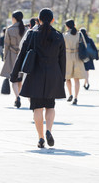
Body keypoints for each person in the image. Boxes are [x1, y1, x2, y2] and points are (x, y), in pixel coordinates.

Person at [10, 8, 66, 148]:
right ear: (52, 20)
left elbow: (22, 54)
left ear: (39, 20)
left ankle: (41, 138)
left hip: (35, 74)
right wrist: (62, 78)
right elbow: (63, 60)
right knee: (50, 106)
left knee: (37, 108)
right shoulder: (59, 36)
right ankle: (48, 131)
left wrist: (14, 73)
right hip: (53, 74)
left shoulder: (32, 34)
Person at [0, 10, 26, 108]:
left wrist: (5, 57)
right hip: (22, 56)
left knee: (14, 79)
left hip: (12, 56)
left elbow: (6, 45)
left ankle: (17, 97)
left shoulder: (9, 29)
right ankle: (18, 96)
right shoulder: (26, 30)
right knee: (20, 79)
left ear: (14, 18)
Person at [64, 19, 86, 105]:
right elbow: (85, 45)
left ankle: (70, 94)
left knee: (67, 78)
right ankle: (76, 97)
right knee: (76, 79)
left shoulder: (65, 35)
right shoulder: (79, 34)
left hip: (68, 56)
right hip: (78, 56)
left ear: (67, 26)